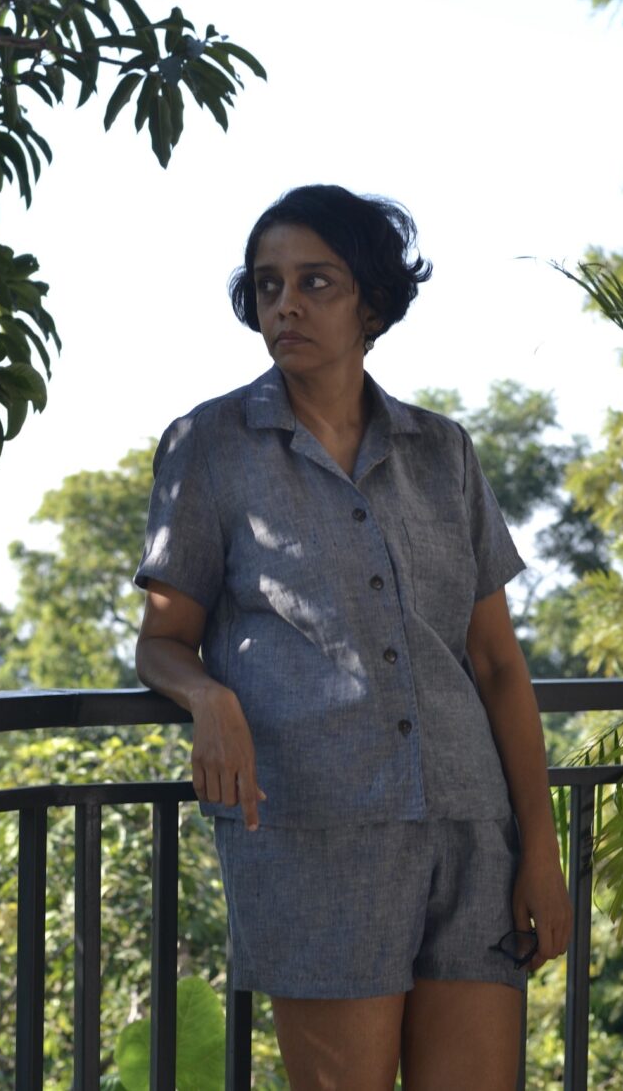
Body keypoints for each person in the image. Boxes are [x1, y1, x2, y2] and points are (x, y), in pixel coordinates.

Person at [134, 184, 572, 1090]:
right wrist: (207, 696)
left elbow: (496, 664)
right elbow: (161, 640)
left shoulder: (442, 452)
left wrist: (540, 850)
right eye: (267, 285)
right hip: (313, 837)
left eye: (314, 281)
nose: (285, 303)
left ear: (370, 302)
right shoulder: (210, 446)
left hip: (469, 831)